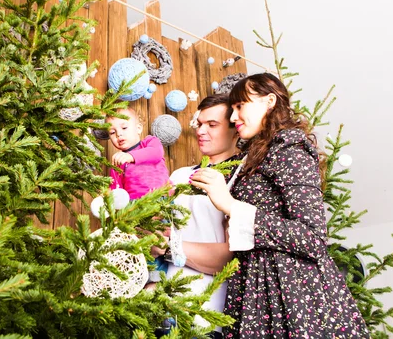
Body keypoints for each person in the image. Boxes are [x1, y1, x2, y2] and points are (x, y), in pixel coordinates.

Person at [190, 73, 369, 338]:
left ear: (269, 101)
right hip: (253, 286)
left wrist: (231, 205)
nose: (233, 117)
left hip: (292, 289)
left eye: (240, 106)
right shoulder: (254, 155)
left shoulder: (290, 148)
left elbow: (312, 238)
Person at [153, 93, 241, 337]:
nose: (201, 131)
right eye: (199, 124)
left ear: (235, 129)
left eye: (212, 125)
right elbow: (156, 226)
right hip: (164, 305)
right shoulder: (179, 175)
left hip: (207, 316)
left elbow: (231, 258)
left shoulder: (242, 179)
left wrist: (168, 246)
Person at [106, 107, 170, 281]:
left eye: (124, 128)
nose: (119, 134)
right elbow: (117, 191)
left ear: (139, 128)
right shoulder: (117, 161)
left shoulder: (149, 142)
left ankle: (159, 278)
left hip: (159, 199)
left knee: (159, 240)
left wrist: (131, 157)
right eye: (113, 132)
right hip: (134, 207)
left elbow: (157, 154)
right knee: (143, 245)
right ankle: (145, 278)